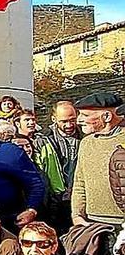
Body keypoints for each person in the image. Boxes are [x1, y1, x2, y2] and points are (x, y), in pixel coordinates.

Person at [72, 92, 125, 227]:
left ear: (106, 116)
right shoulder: (86, 143)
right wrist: (77, 215)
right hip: (92, 223)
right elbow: (80, 182)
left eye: (85, 115)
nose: (78, 120)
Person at [45, 100, 82, 233]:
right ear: (54, 119)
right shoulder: (43, 139)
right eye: (64, 121)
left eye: (72, 120)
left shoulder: (86, 136)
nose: (69, 125)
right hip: (54, 200)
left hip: (79, 196)